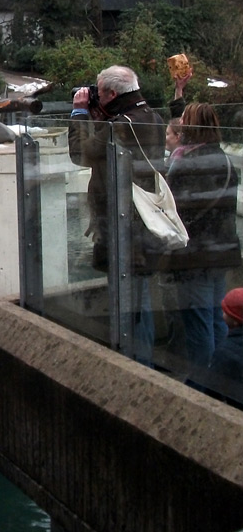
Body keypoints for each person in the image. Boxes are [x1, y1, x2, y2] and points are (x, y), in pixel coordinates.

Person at [69, 65, 166, 365]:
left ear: (112, 93)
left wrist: (79, 114)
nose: (94, 96)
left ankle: (135, 366)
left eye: (98, 91)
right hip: (142, 221)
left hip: (121, 223)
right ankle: (143, 363)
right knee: (141, 301)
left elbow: (80, 154)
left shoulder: (121, 125)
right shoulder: (153, 117)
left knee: (129, 304)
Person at [164, 102, 241, 371]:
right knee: (216, 318)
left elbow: (173, 211)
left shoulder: (186, 164)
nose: (180, 124)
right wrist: (179, 95)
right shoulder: (225, 160)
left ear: (192, 127)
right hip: (221, 251)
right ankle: (222, 376)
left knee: (198, 323)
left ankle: (202, 381)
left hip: (194, 254)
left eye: (184, 120)